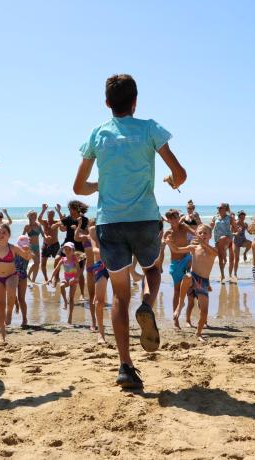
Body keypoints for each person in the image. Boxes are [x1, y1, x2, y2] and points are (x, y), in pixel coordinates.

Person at [72, 73, 186, 389]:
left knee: (120, 296)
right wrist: (173, 182)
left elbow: (79, 187)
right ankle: (147, 305)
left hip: (109, 222)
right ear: (136, 102)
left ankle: (125, 366)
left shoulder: (97, 134)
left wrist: (102, 184)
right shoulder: (150, 128)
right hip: (145, 219)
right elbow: (179, 173)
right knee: (152, 271)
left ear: (107, 103)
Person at [0, 224, 31, 341]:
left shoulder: (13, 248)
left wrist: (27, 252)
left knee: (11, 292)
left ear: (8, 235)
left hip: (11, 276)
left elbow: (26, 257)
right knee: (0, 305)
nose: (1, 234)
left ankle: (9, 313)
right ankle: (2, 334)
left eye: (4, 232)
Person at [168, 224, 217, 342]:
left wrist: (204, 243)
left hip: (203, 282)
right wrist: (169, 243)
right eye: (200, 233)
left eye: (205, 233)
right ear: (196, 235)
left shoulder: (212, 250)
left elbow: (216, 253)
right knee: (187, 276)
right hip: (193, 277)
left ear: (210, 235)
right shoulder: (193, 248)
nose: (202, 235)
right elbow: (177, 250)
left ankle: (199, 333)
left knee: (204, 312)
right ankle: (180, 305)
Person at [164, 209, 194, 329]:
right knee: (177, 291)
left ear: (178, 217)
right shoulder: (168, 233)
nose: (174, 220)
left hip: (187, 259)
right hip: (175, 263)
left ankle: (188, 320)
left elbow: (196, 233)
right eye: (171, 218)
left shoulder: (184, 227)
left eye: (175, 217)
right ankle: (176, 320)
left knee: (190, 291)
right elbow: (162, 246)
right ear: (168, 220)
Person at [56, 201, 89, 298]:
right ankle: (56, 279)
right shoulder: (68, 219)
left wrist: (78, 229)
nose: (69, 211)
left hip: (79, 247)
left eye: (71, 209)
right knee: (57, 258)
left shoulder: (84, 219)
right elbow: (62, 228)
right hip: (67, 245)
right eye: (69, 209)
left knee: (80, 273)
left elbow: (87, 232)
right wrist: (59, 226)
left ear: (76, 209)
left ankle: (82, 294)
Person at [86, 224, 109, 343]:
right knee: (99, 302)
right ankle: (101, 333)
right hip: (101, 265)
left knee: (121, 299)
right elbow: (95, 249)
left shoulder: (116, 224)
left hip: (116, 262)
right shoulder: (93, 229)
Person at [51, 242, 82, 324]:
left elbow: (79, 270)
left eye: (69, 249)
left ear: (73, 251)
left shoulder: (74, 259)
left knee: (71, 298)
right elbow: (56, 269)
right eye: (66, 249)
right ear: (64, 250)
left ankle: (70, 317)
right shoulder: (62, 259)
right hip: (66, 278)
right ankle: (65, 301)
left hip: (73, 279)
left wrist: (76, 278)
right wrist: (50, 278)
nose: (67, 251)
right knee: (61, 285)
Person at [210, 203, 235, 283]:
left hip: (227, 237)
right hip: (217, 239)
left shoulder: (229, 218)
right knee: (221, 259)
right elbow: (210, 227)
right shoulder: (215, 217)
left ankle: (227, 273)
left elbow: (235, 227)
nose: (219, 209)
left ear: (225, 209)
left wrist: (238, 231)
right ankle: (222, 275)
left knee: (222, 238)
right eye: (218, 208)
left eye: (221, 207)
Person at [38, 204, 62, 283]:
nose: (50, 215)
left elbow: (63, 220)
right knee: (43, 263)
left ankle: (56, 277)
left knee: (57, 262)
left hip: (55, 245)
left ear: (54, 215)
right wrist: (43, 209)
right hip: (46, 245)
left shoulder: (56, 222)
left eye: (52, 214)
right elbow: (39, 219)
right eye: (49, 214)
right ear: (47, 215)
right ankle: (46, 278)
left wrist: (59, 211)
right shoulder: (45, 222)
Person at [22, 211, 44, 283]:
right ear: (29, 217)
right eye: (32, 216)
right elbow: (22, 237)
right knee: (37, 262)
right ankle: (28, 275)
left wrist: (47, 238)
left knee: (37, 263)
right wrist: (23, 245)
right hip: (30, 247)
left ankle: (33, 280)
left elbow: (43, 235)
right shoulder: (27, 226)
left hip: (37, 246)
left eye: (35, 216)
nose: (34, 217)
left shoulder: (38, 225)